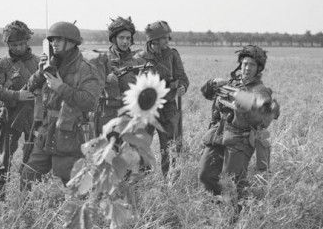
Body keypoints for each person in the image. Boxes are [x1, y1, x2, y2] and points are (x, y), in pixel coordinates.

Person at [19, 21, 102, 189]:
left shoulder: (86, 69)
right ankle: (27, 214)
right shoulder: (50, 64)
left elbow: (90, 102)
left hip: (70, 135)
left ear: (71, 42)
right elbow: (28, 88)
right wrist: (40, 73)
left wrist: (62, 88)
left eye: (58, 39)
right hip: (45, 132)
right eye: (52, 40)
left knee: (75, 186)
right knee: (27, 176)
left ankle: (82, 213)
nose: (53, 43)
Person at [198, 45, 280, 209]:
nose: (247, 68)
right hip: (218, 136)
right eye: (244, 63)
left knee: (232, 182)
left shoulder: (261, 91)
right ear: (239, 64)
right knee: (205, 175)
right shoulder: (231, 83)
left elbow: (262, 120)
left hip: (240, 141)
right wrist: (212, 83)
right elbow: (207, 93)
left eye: (252, 65)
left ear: (258, 69)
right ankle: (219, 206)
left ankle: (235, 215)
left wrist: (244, 105)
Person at [0, 20, 39, 201]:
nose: (17, 48)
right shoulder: (3, 64)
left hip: (34, 116)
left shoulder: (38, 62)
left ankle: (27, 193)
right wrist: (17, 95)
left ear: (27, 42)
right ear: (8, 44)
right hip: (10, 115)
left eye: (20, 44)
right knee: (5, 157)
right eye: (13, 44)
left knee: (32, 156)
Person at [137, 21, 189, 177]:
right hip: (147, 109)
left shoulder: (172, 55)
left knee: (170, 147)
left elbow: (183, 78)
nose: (168, 40)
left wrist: (182, 87)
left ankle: (170, 180)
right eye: (164, 37)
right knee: (141, 145)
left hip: (168, 108)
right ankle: (142, 178)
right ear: (153, 41)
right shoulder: (140, 58)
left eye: (168, 36)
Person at [94, 16, 147, 135]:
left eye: (128, 38)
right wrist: (104, 80)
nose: (125, 42)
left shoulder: (137, 61)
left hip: (130, 116)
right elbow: (89, 85)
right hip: (107, 117)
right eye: (121, 38)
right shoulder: (101, 59)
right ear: (113, 39)